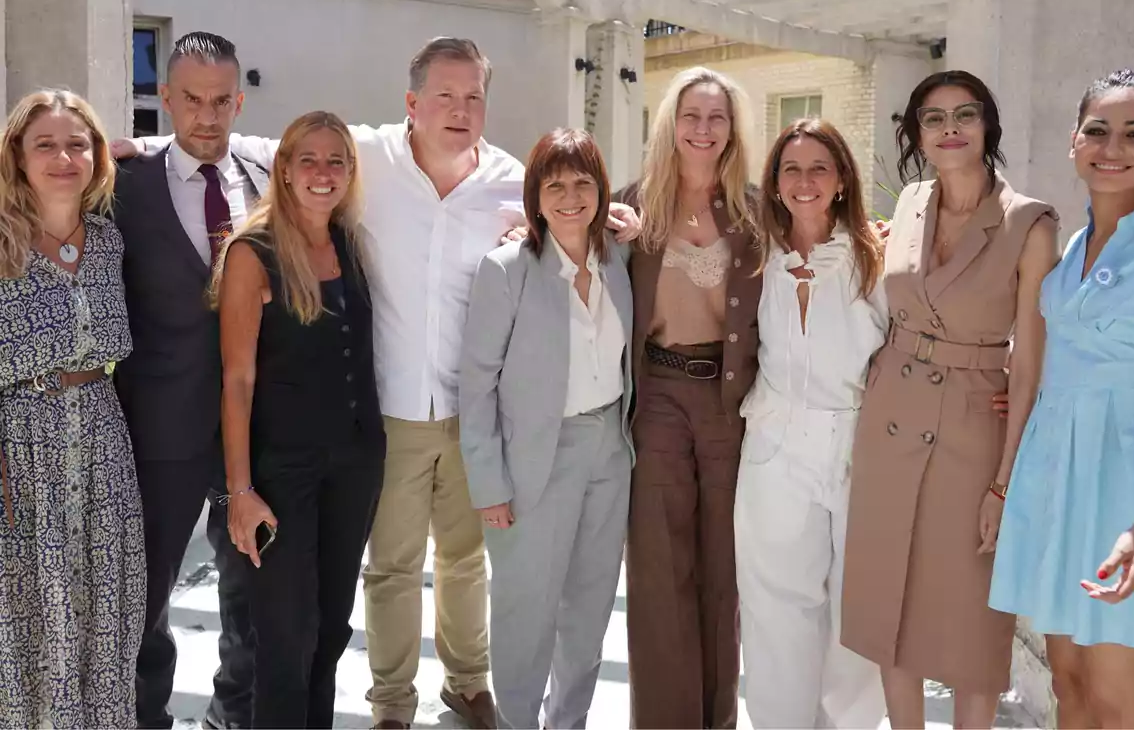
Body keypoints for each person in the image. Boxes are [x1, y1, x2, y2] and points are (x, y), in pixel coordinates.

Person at [120, 36, 639, 730]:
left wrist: (616, 218)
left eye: (473, 96)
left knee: (465, 561)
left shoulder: (513, 182)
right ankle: (392, 702)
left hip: (472, 411)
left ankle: (466, 681)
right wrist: (142, 147)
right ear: (412, 102)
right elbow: (273, 142)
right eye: (444, 95)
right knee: (391, 567)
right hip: (386, 411)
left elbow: (568, 212)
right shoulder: (369, 159)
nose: (459, 110)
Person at [840, 70, 1059, 728]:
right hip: (889, 421)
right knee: (889, 606)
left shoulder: (1029, 222)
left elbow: (1031, 365)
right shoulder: (908, 202)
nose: (951, 128)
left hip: (973, 434)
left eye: (965, 114)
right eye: (934, 119)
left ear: (988, 125)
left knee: (972, 623)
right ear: (916, 136)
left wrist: (1004, 482)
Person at [990, 70, 1134, 729]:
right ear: (1074, 142)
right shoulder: (1076, 247)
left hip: (1132, 509)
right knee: (1072, 695)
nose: (1114, 147)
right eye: (1098, 130)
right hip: (1059, 499)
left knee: (1120, 710)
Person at [112, 31, 264, 730]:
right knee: (145, 595)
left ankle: (233, 716)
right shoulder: (121, 184)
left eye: (222, 101)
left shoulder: (265, 182)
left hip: (255, 428)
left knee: (252, 591)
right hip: (159, 422)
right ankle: (147, 718)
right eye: (192, 100)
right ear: (165, 99)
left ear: (240, 100)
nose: (207, 116)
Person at [213, 111, 385, 727]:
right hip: (281, 472)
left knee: (331, 630)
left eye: (336, 160)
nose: (322, 172)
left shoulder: (349, 243)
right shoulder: (251, 254)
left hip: (355, 465)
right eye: (307, 159)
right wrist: (239, 491)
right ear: (282, 170)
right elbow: (236, 380)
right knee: (285, 638)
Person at [459, 128, 634, 729]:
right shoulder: (506, 268)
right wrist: (489, 486)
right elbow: (476, 384)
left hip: (611, 452)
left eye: (583, 182)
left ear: (601, 192)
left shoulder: (621, 260)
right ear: (535, 197)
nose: (569, 196)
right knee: (524, 614)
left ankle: (569, 722)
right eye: (554, 184)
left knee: (588, 613)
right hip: (534, 459)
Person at [733, 118, 887, 729]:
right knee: (775, 610)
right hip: (773, 444)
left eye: (819, 168)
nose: (804, 182)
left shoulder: (877, 257)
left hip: (858, 445)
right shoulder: (752, 257)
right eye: (790, 169)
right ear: (773, 183)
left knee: (857, 611)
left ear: (843, 180)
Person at [621, 66, 760, 729]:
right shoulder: (630, 205)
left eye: (717, 117)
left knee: (722, 575)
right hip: (658, 400)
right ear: (670, 124)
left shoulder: (760, 213)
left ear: (734, 129)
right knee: (658, 571)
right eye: (691, 116)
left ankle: (718, 720)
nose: (703, 130)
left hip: (732, 404)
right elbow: (560, 238)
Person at [0, 89, 145, 727]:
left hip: (103, 436)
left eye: (77, 143)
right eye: (46, 144)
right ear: (18, 157)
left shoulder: (111, 242)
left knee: (108, 603)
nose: (64, 156)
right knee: (33, 608)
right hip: (21, 445)